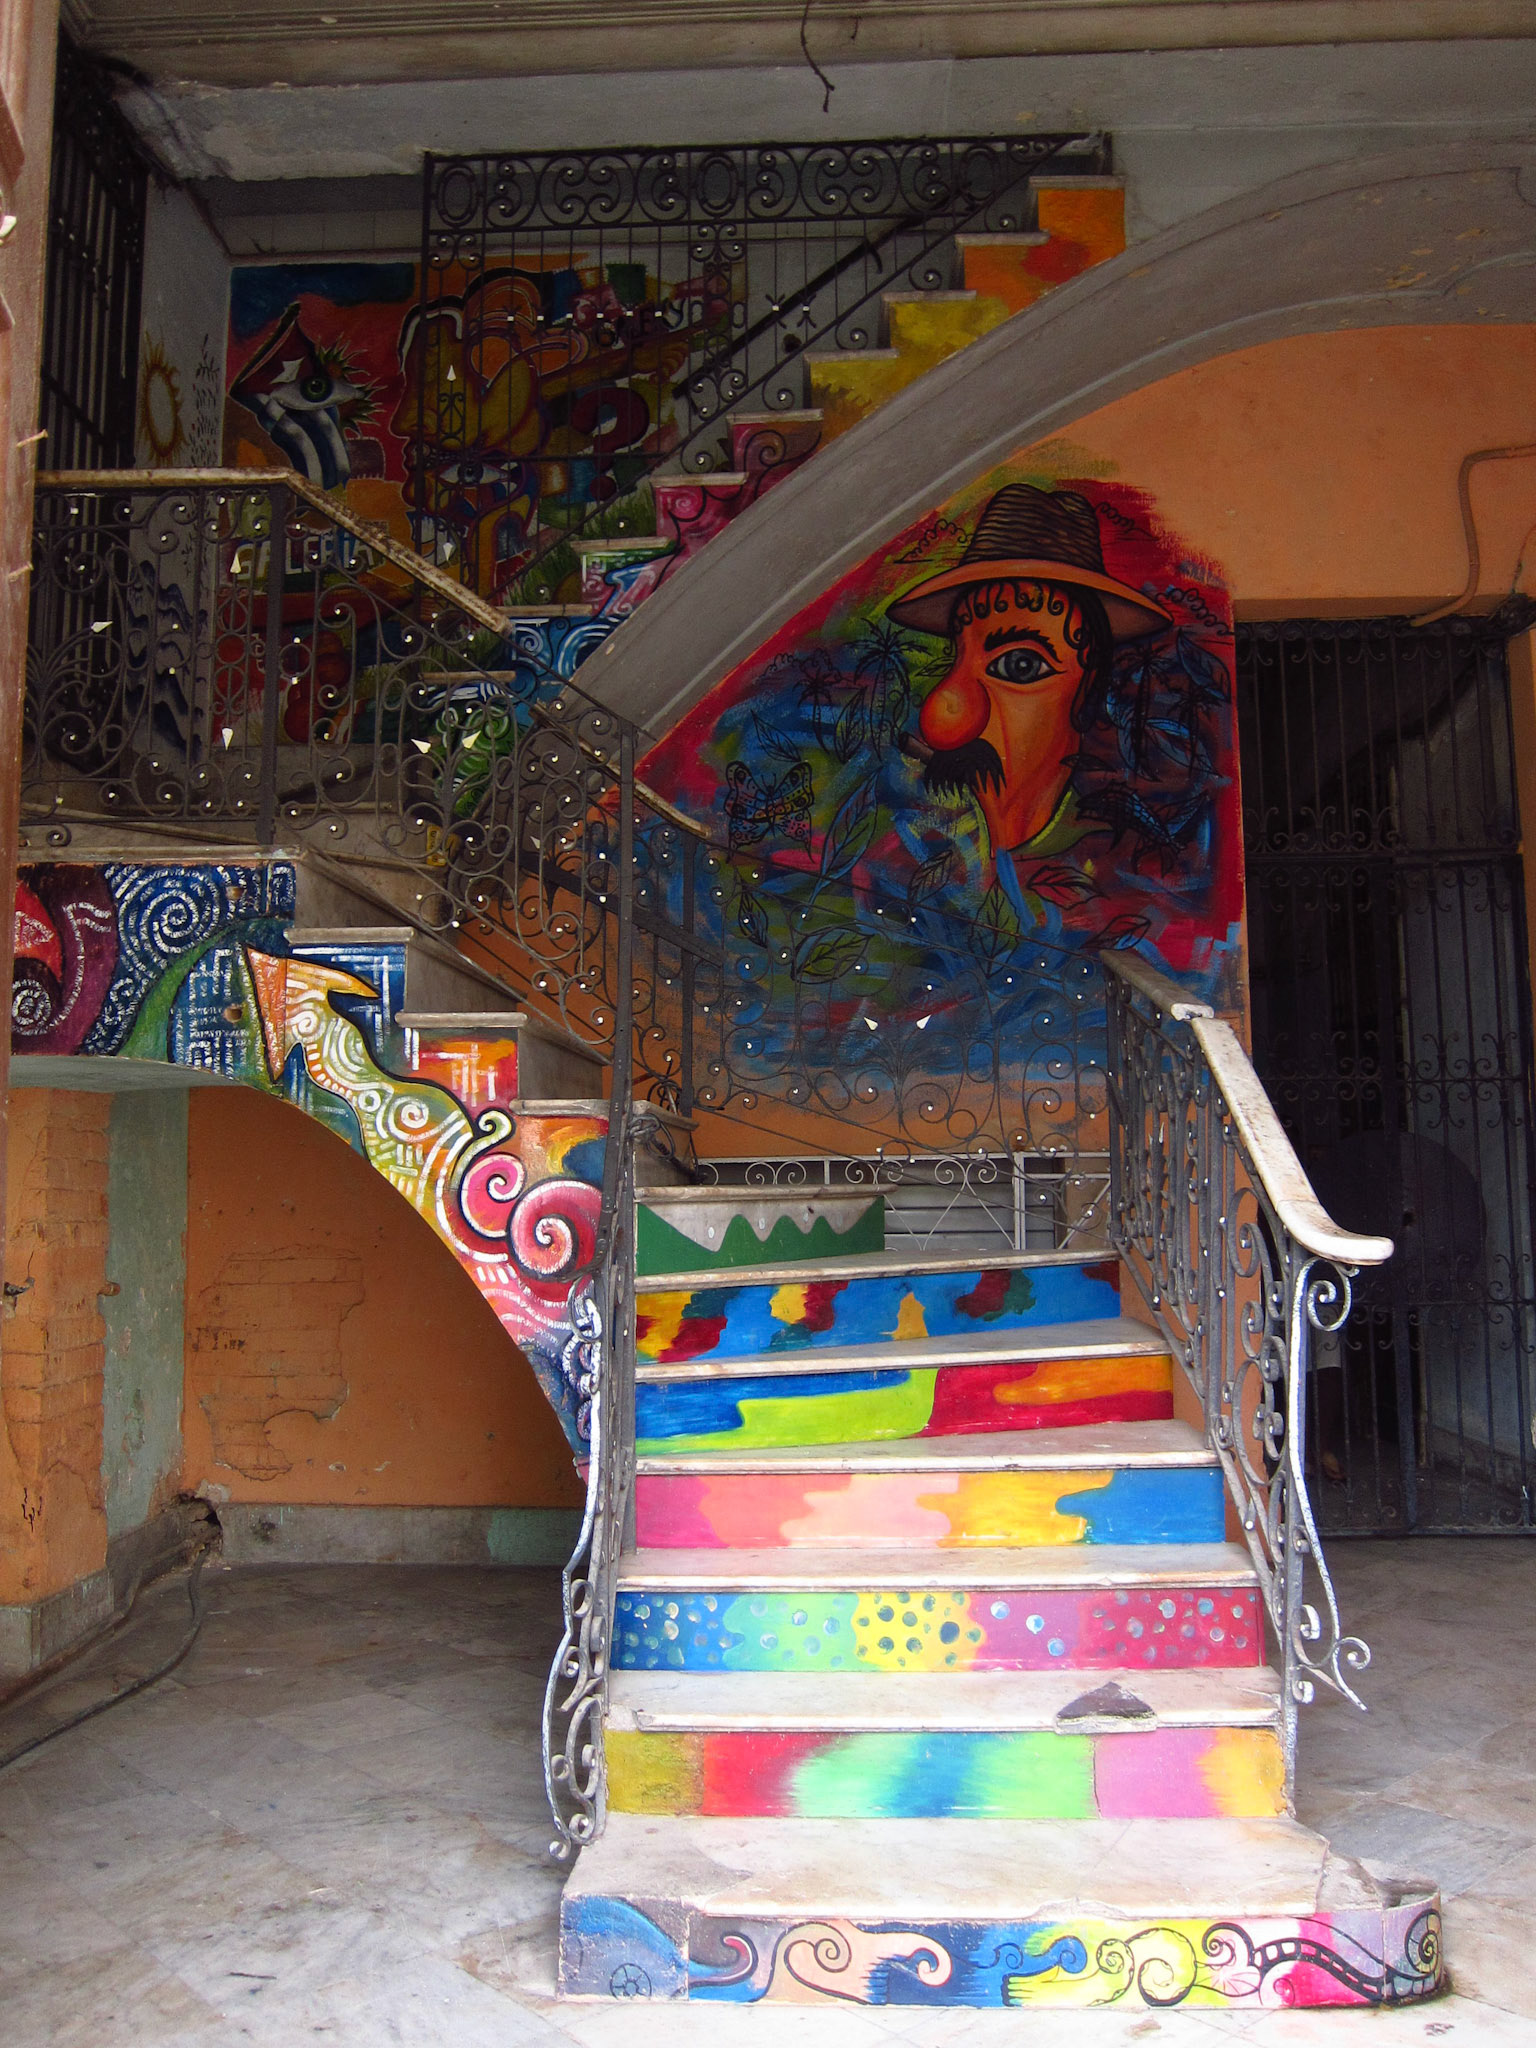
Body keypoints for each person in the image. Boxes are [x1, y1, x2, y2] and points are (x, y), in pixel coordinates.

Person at [889, 483, 1170, 909]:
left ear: (1087, 692)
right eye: (955, 657)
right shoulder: (900, 847)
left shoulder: (1118, 876)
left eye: (1020, 666)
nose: (942, 719)